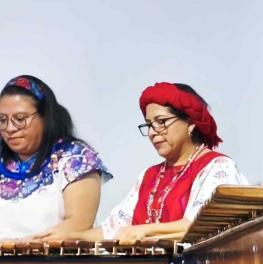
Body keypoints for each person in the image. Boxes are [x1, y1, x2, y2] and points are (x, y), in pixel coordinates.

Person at [40, 82, 247, 241]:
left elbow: (200, 225)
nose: (152, 132)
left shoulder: (217, 167)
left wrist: (144, 230)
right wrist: (71, 237)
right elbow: (113, 229)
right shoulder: (149, 176)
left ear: (191, 124)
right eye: (148, 125)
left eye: (162, 122)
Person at [0, 75, 110, 239]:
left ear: (45, 117)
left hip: (54, 262)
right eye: (2, 120)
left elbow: (77, 225)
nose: (9, 128)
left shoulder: (75, 158)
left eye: (20, 119)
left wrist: (21, 247)